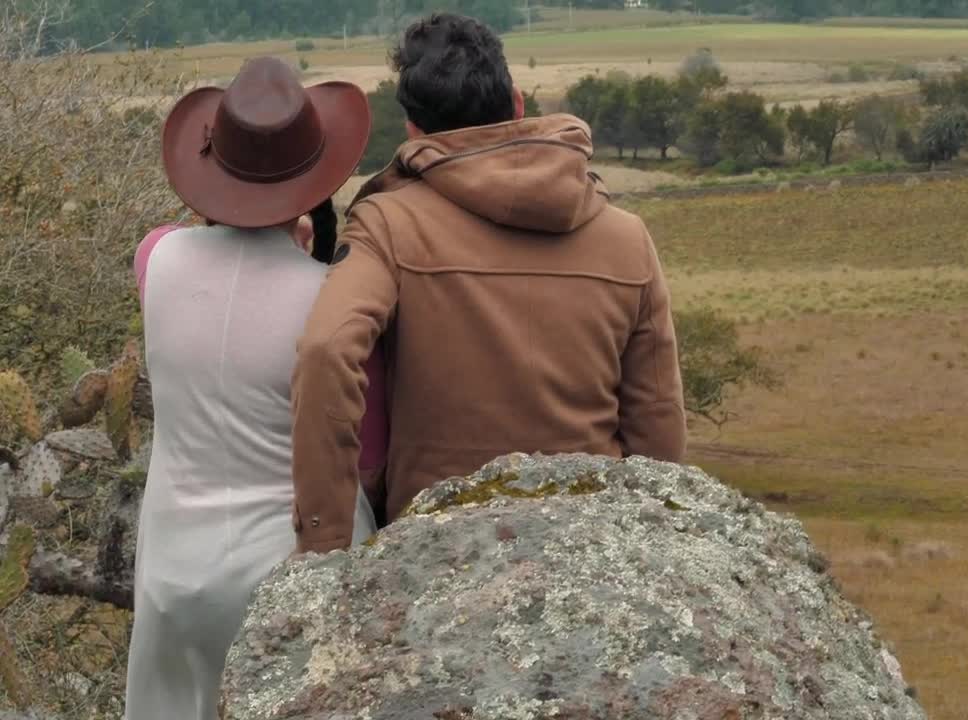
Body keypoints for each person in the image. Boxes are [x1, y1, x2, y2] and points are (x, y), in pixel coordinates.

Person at [290, 13, 687, 555]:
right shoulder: (627, 237)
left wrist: (325, 545)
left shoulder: (387, 224)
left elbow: (325, 348)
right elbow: (658, 424)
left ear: (413, 130)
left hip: (434, 548)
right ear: (517, 104)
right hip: (593, 544)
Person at [124, 57, 378, 719]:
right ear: (315, 183)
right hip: (287, 576)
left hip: (172, 575)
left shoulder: (157, 258)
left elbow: (194, 254)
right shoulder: (331, 305)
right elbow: (364, 444)